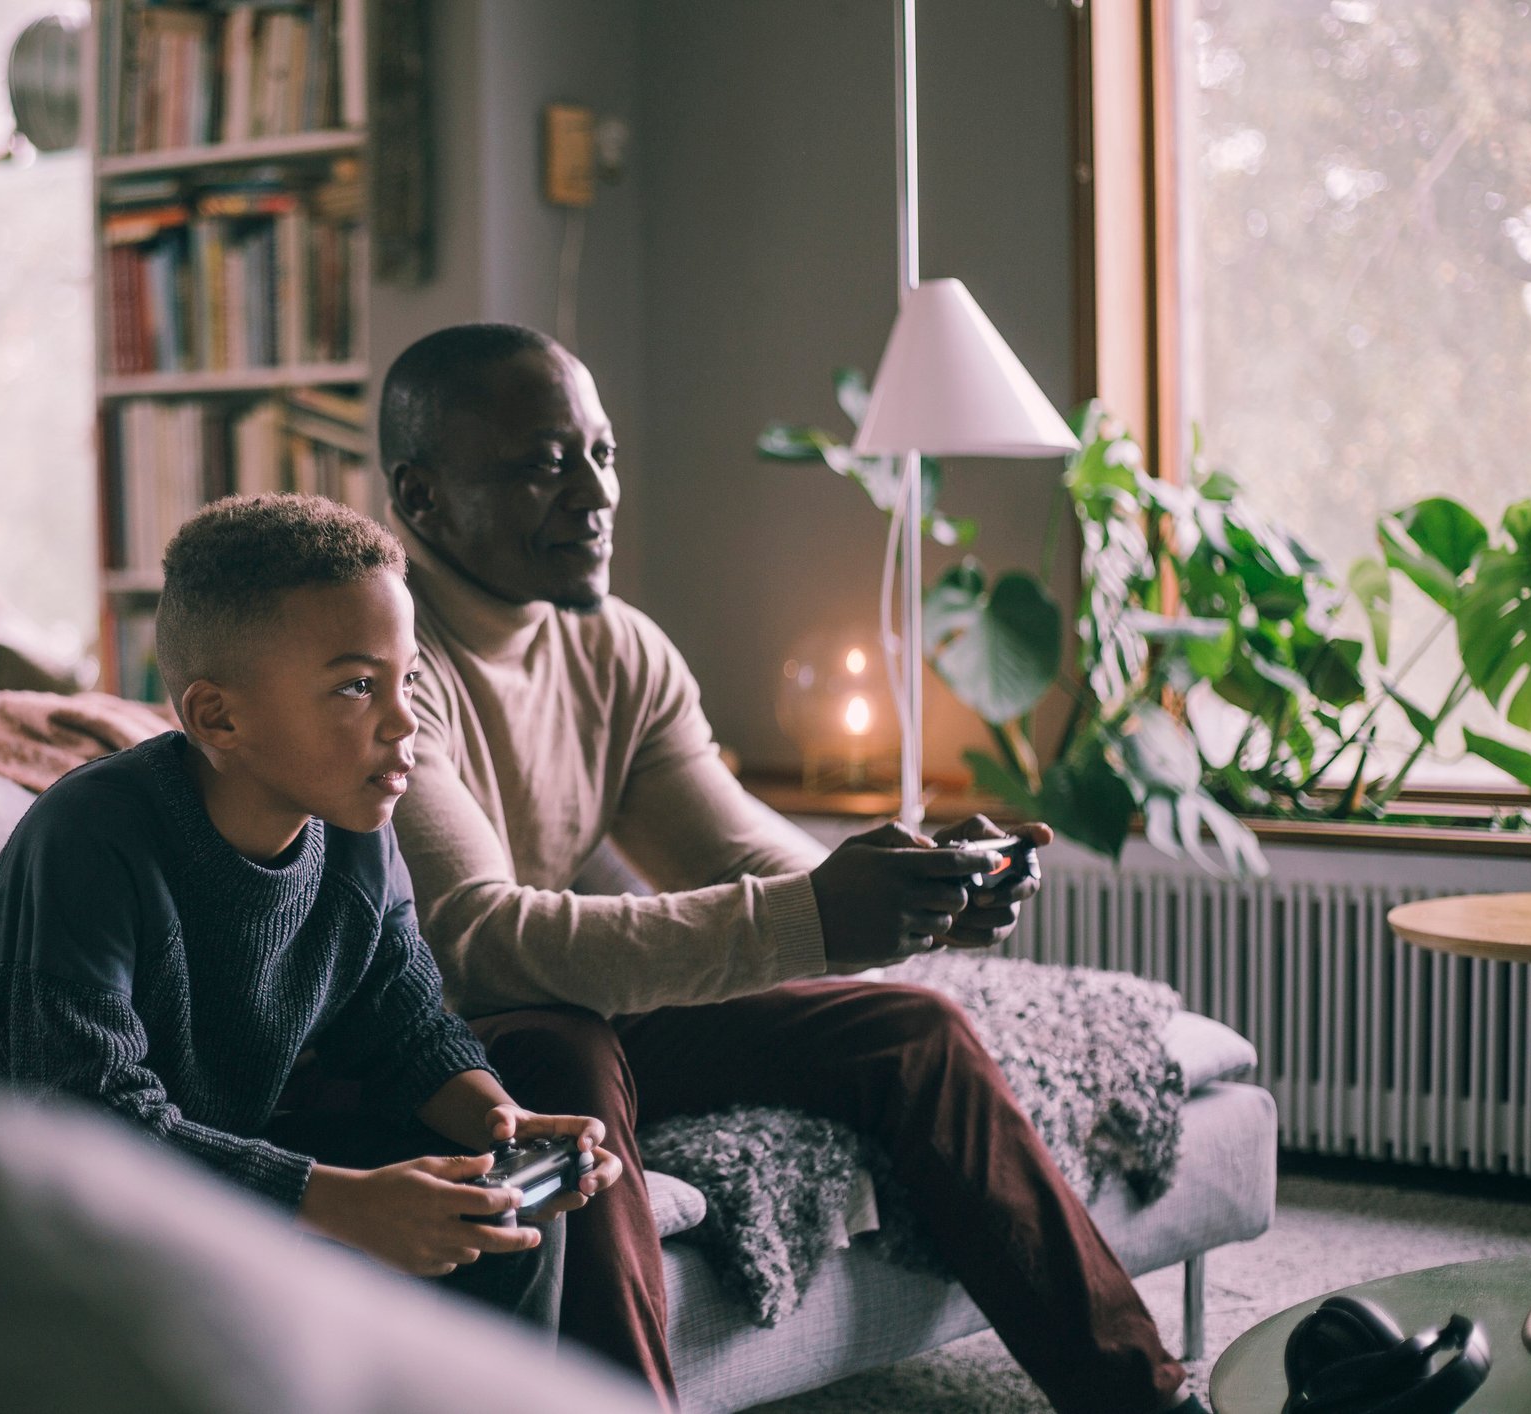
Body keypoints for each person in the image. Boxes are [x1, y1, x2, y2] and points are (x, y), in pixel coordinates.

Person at [380, 322, 1207, 1414]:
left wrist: (908, 892)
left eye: (603, 451)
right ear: (423, 498)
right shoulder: (382, 660)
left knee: (913, 1030)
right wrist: (815, 916)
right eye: (543, 462)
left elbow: (736, 850)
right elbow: (483, 947)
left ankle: (1148, 1402)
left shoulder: (614, 646)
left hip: (560, 1000)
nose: (595, 492)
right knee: (560, 1054)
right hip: (432, 1036)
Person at [0, 493, 624, 1328]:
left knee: (491, 1211)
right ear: (217, 717)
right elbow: (85, 1117)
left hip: (175, 1155)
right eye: (355, 687)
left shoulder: (355, 828)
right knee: (255, 1272)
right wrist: (339, 1204)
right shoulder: (93, 834)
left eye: (407, 678)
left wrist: (499, 1118)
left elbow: (406, 1031)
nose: (404, 719)